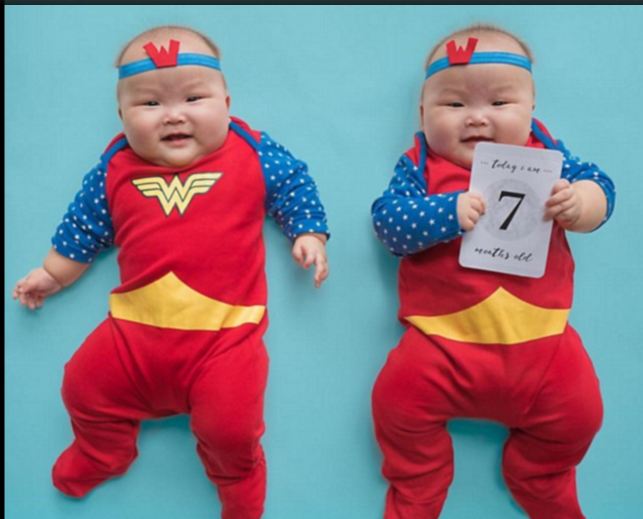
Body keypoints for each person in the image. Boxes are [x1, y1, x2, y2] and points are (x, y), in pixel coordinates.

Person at [13, 25, 329, 519]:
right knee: (81, 385)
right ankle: (103, 450)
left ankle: (237, 477)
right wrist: (53, 274)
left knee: (231, 428)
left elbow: (294, 183)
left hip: (225, 341)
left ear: (227, 103)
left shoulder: (251, 152)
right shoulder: (116, 168)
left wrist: (308, 233)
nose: (174, 114)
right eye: (149, 104)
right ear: (122, 115)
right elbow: (84, 225)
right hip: (131, 333)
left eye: (193, 98)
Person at [370, 24, 615, 519]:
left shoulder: (547, 156)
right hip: (440, 346)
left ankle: (538, 474)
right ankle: (419, 485)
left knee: (583, 414)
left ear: (531, 109)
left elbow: (601, 186)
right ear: (422, 113)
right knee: (394, 405)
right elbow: (388, 223)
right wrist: (446, 212)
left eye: (500, 103)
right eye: (454, 104)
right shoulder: (420, 166)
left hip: (543, 347)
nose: (477, 117)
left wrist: (581, 203)